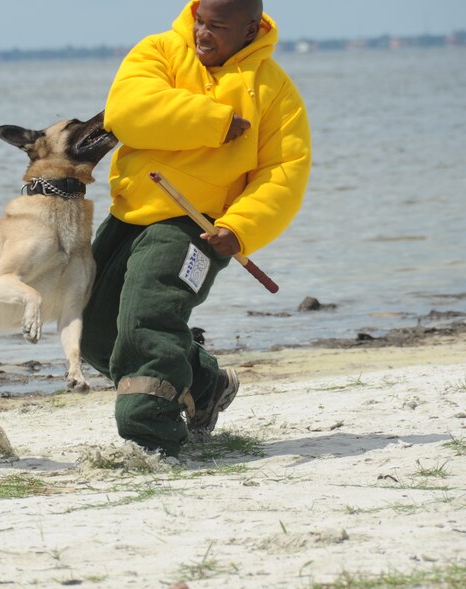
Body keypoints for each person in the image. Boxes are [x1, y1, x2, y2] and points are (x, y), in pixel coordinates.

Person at [81, 0, 311, 457]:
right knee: (92, 331)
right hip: (128, 215)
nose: (202, 33)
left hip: (197, 227)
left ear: (251, 29)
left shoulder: (275, 91)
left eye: (217, 26)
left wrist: (240, 228)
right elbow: (126, 113)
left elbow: (284, 172)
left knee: (149, 321)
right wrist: (216, 122)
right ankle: (206, 385)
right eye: (199, 21)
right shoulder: (159, 50)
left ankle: (152, 435)